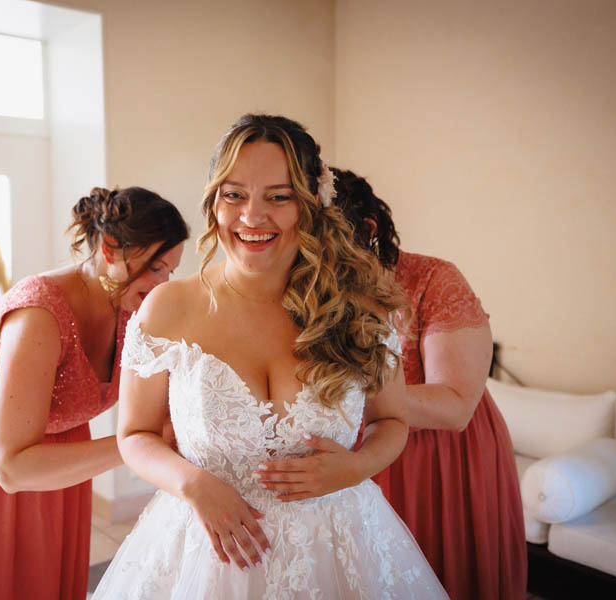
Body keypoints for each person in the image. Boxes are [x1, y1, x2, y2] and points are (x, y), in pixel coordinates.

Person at [91, 115, 448, 599]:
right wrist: (194, 484)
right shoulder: (169, 307)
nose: (251, 217)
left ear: (310, 205)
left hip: (339, 545)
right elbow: (134, 434)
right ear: (214, 200)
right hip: (206, 551)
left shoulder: (359, 308)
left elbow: (393, 423)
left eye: (278, 197)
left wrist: (355, 468)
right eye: (234, 194)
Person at [0, 187, 189, 599]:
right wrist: (134, 445)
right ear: (111, 249)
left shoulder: (130, 307)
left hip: (57, 458)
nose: (162, 284)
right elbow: (11, 466)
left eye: (169, 271)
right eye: (155, 268)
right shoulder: (39, 316)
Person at [328, 168, 527, 599]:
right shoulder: (313, 289)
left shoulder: (434, 281)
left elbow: (456, 405)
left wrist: (343, 400)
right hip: (362, 455)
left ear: (367, 230)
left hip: (442, 458)